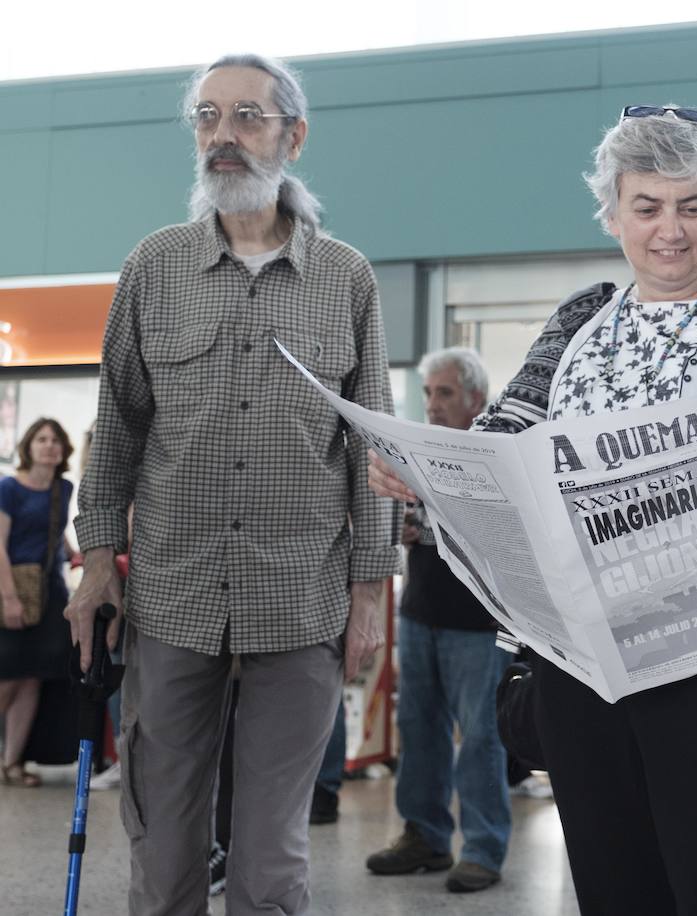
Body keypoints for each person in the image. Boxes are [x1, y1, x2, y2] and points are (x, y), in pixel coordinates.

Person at [369, 104, 697, 916]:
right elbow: (504, 436)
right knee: (616, 887)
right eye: (646, 207)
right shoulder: (581, 319)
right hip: (587, 666)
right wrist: (428, 472)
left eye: (692, 206)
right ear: (612, 213)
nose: (671, 231)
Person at [66, 53, 400, 915]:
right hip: (172, 597)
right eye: (207, 118)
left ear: (293, 134)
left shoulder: (346, 278)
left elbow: (371, 452)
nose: (224, 135)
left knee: (271, 853)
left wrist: (371, 592)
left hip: (302, 600)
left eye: (247, 116)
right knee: (165, 841)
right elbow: (117, 428)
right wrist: (97, 560)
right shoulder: (155, 266)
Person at [365, 347, 514, 894]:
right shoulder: (416, 451)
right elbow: (409, 516)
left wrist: (423, 527)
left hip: (478, 623)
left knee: (480, 739)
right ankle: (424, 836)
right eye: (428, 393)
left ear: (476, 398)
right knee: (418, 730)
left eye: (444, 393)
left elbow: (493, 530)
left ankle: (482, 847)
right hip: (421, 611)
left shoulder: (495, 452)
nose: (432, 404)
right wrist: (402, 525)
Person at [0, 418, 77, 787]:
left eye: (56, 440)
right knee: (8, 677)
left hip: (50, 592)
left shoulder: (63, 487)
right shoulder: (9, 488)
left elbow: (55, 530)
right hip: (12, 587)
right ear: (28, 446)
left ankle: (12, 762)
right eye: (42, 439)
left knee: (33, 678)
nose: (49, 446)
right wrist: (9, 598)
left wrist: (75, 554)